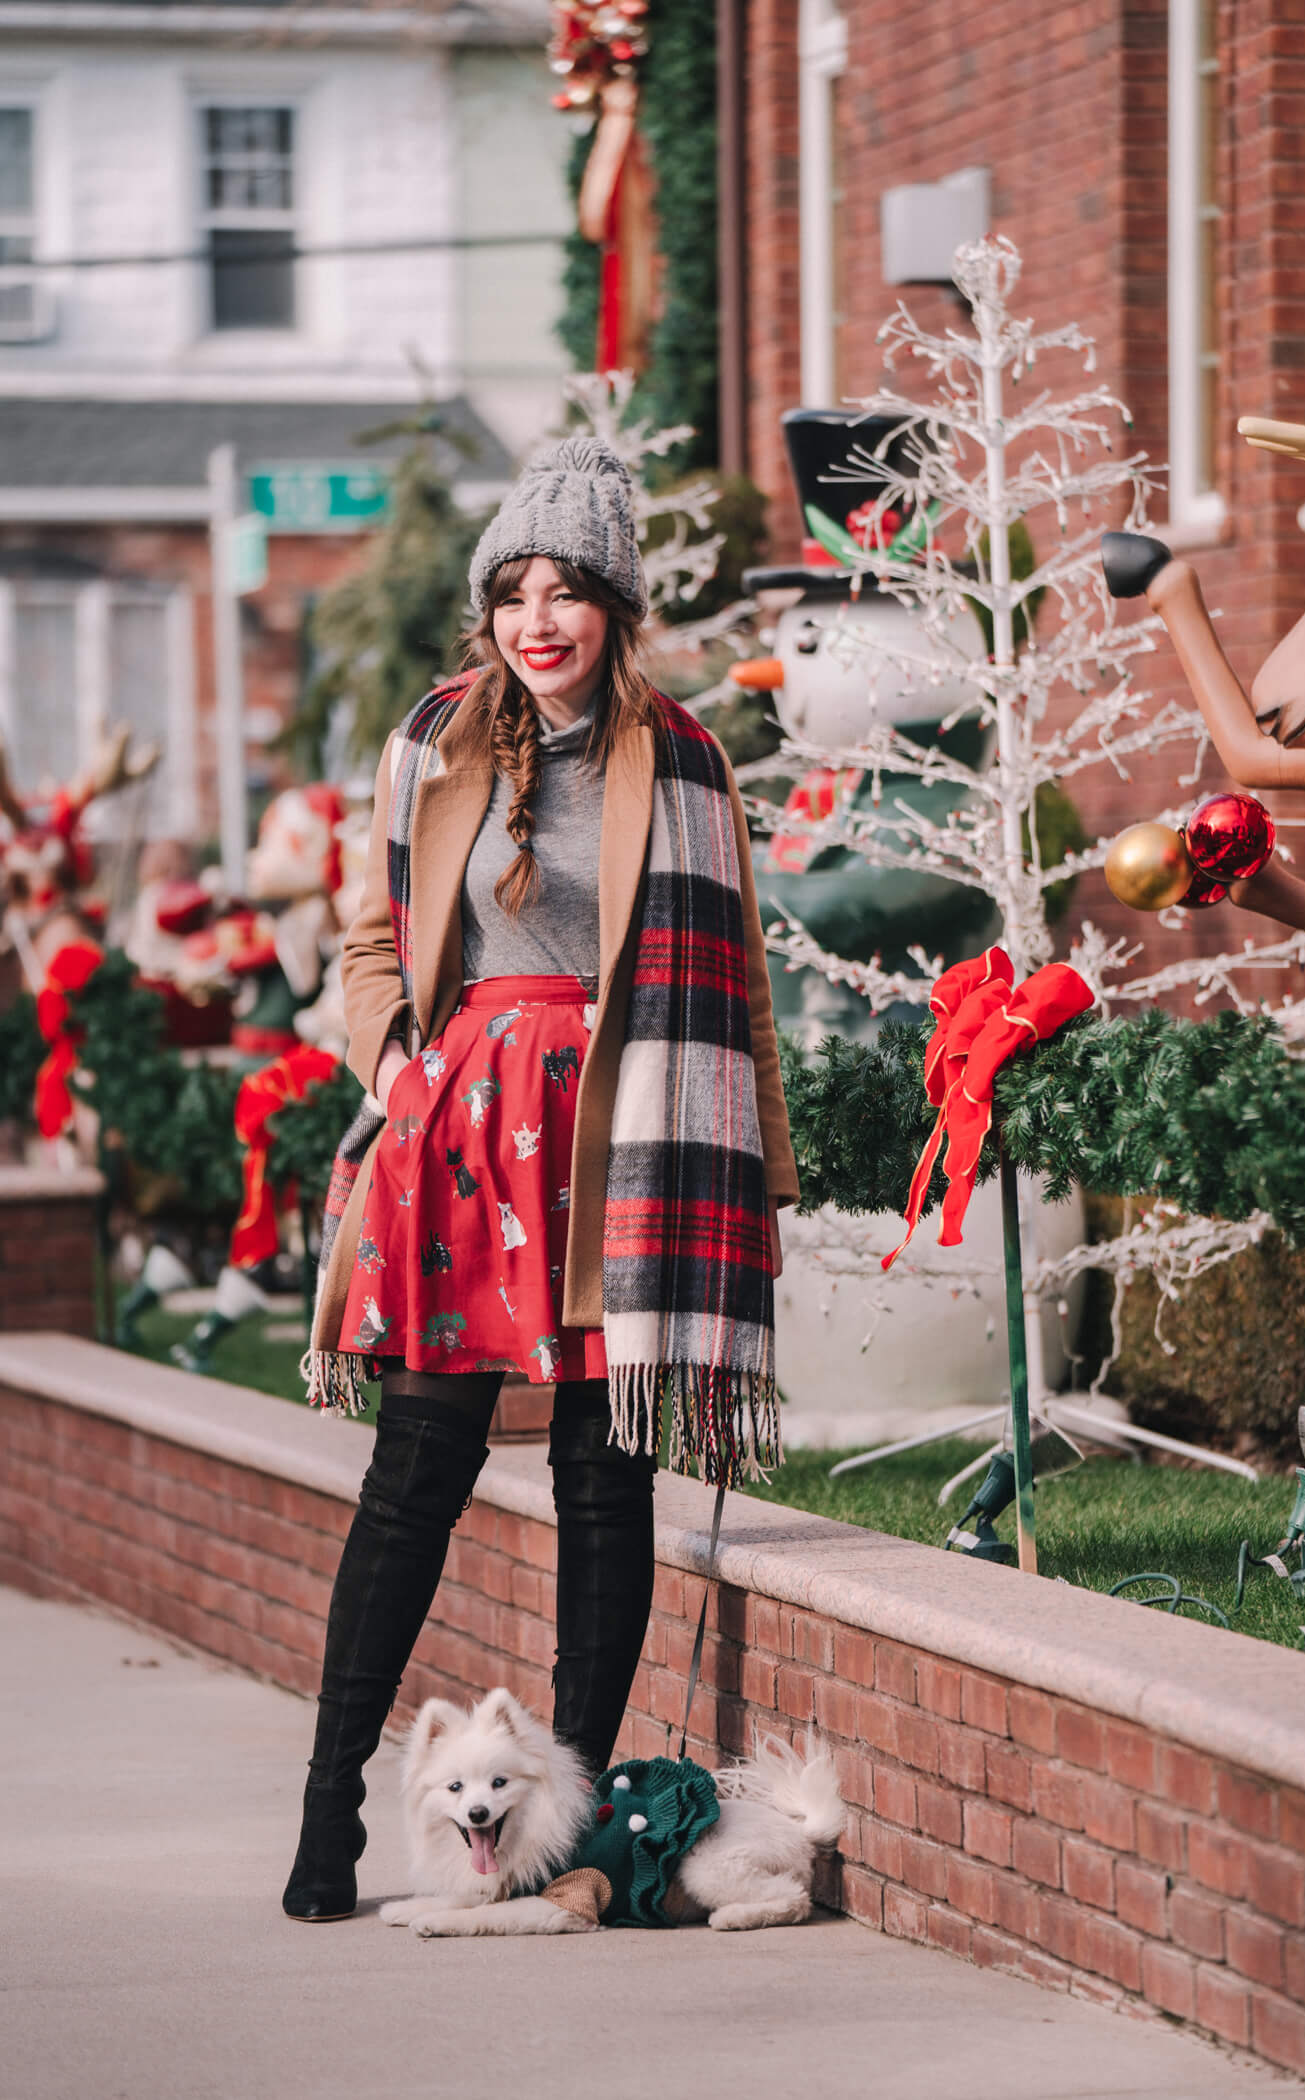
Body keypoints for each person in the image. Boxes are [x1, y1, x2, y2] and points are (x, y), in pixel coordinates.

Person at [282, 436, 801, 1922]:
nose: (539, 618)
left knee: (602, 1474)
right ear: (487, 612)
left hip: (633, 1134)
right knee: (414, 1474)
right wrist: (393, 1074)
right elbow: (373, 940)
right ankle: (330, 1813)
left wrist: (755, 1165)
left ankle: (560, 1829)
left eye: (568, 589)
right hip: (465, 1131)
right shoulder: (434, 740)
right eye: (514, 591)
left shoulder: (685, 758)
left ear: (614, 605)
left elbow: (739, 984)